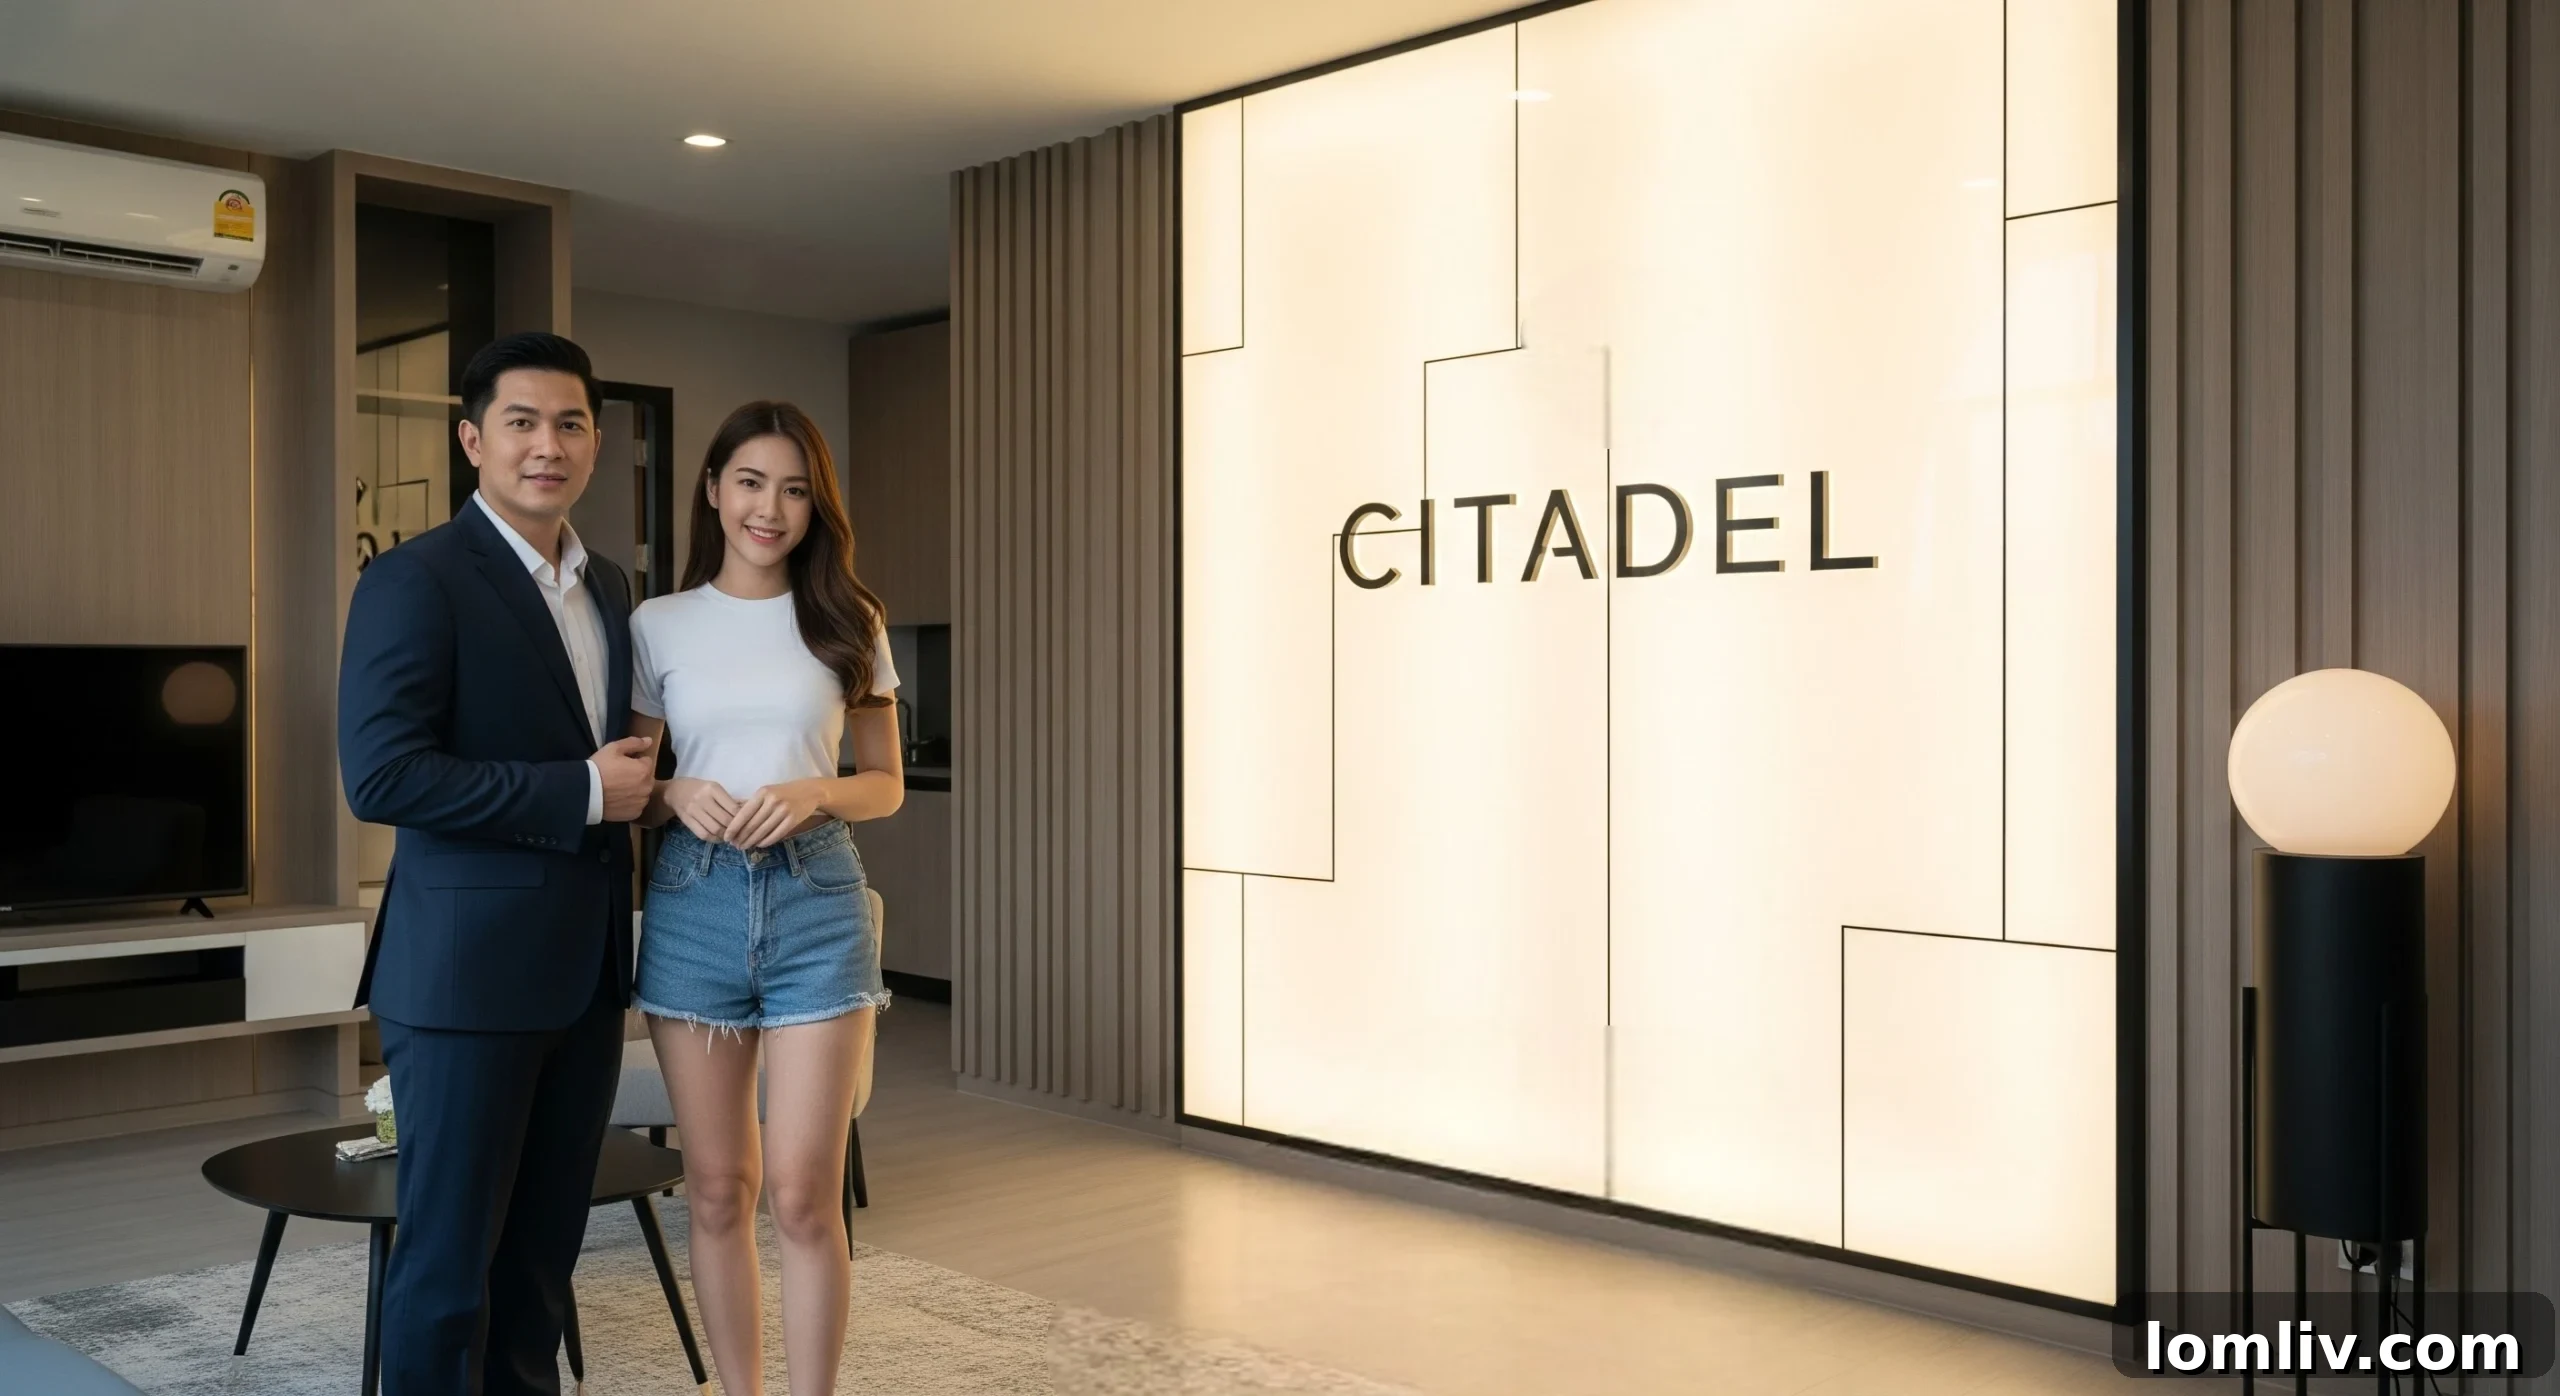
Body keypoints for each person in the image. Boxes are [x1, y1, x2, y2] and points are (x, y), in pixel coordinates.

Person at [337, 332, 654, 1395]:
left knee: (540, 1268)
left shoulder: (611, 586)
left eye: (569, 424)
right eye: (521, 422)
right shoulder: (415, 579)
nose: (546, 445)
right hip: (465, 980)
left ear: (595, 443)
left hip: (588, 977)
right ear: (473, 440)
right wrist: (579, 791)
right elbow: (383, 776)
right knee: (445, 1272)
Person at [627, 400, 902, 1396]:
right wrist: (673, 791)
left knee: (801, 1195)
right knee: (715, 1189)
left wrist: (814, 792)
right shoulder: (657, 624)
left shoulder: (849, 619)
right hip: (692, 903)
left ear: (814, 505)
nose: (769, 509)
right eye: (750, 482)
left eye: (793, 490)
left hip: (816, 902)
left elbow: (885, 783)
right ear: (712, 489)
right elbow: (631, 781)